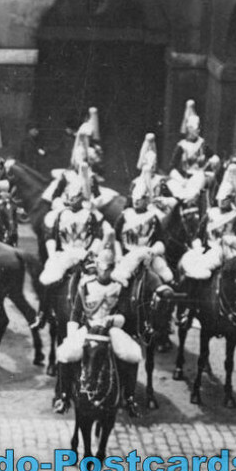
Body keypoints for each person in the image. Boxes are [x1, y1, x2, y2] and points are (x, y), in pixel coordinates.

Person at [54, 233, 144, 414]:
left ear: (113, 268)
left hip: (110, 329)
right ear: (96, 267)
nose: (105, 272)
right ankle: (63, 397)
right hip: (89, 328)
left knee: (133, 354)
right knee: (64, 353)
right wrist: (72, 334)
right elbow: (76, 312)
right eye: (102, 268)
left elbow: (124, 313)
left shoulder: (120, 287)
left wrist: (115, 320)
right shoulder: (85, 285)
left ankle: (130, 398)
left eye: (109, 268)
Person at [113, 139, 176, 291]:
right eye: (149, 163)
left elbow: (172, 200)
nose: (152, 167)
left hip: (158, 215)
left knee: (163, 267)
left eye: (154, 164)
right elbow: (129, 205)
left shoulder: (161, 182)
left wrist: (162, 202)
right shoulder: (135, 183)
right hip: (134, 236)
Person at [38, 163, 104, 295]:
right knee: (49, 278)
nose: (72, 200)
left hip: (86, 255)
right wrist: (52, 254)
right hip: (64, 254)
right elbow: (51, 236)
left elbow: (98, 235)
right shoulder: (61, 215)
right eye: (70, 197)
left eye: (76, 197)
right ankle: (43, 311)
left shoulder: (90, 215)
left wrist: (92, 251)